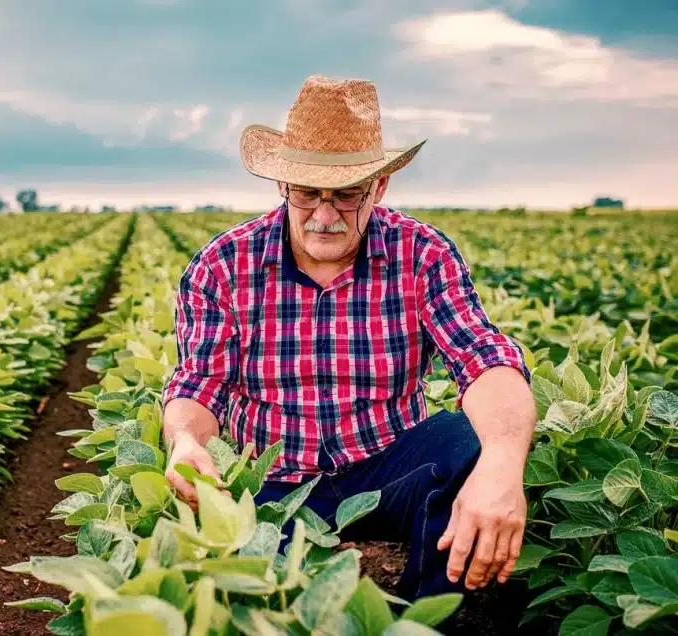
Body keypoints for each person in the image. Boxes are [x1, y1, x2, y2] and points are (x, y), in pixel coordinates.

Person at [160, 75, 536, 602]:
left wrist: (501, 462)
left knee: (467, 447)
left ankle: (422, 615)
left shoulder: (421, 253)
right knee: (262, 594)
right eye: (308, 194)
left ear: (379, 189)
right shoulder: (224, 264)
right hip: (275, 477)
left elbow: (484, 359)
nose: (324, 215)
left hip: (386, 465)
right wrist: (185, 442)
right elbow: (199, 385)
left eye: (346, 196)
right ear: (281, 187)